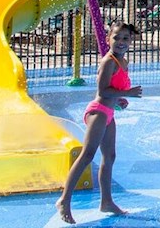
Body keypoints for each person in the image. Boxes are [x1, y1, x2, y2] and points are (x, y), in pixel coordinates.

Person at [56, 23, 143, 224]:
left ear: (131, 41)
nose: (121, 42)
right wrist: (127, 93)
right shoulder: (108, 62)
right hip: (98, 112)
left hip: (109, 113)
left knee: (110, 156)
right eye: (116, 37)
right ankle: (64, 200)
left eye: (125, 38)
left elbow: (113, 90)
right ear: (108, 39)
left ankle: (107, 202)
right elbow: (103, 91)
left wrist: (120, 100)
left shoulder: (123, 61)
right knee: (87, 155)